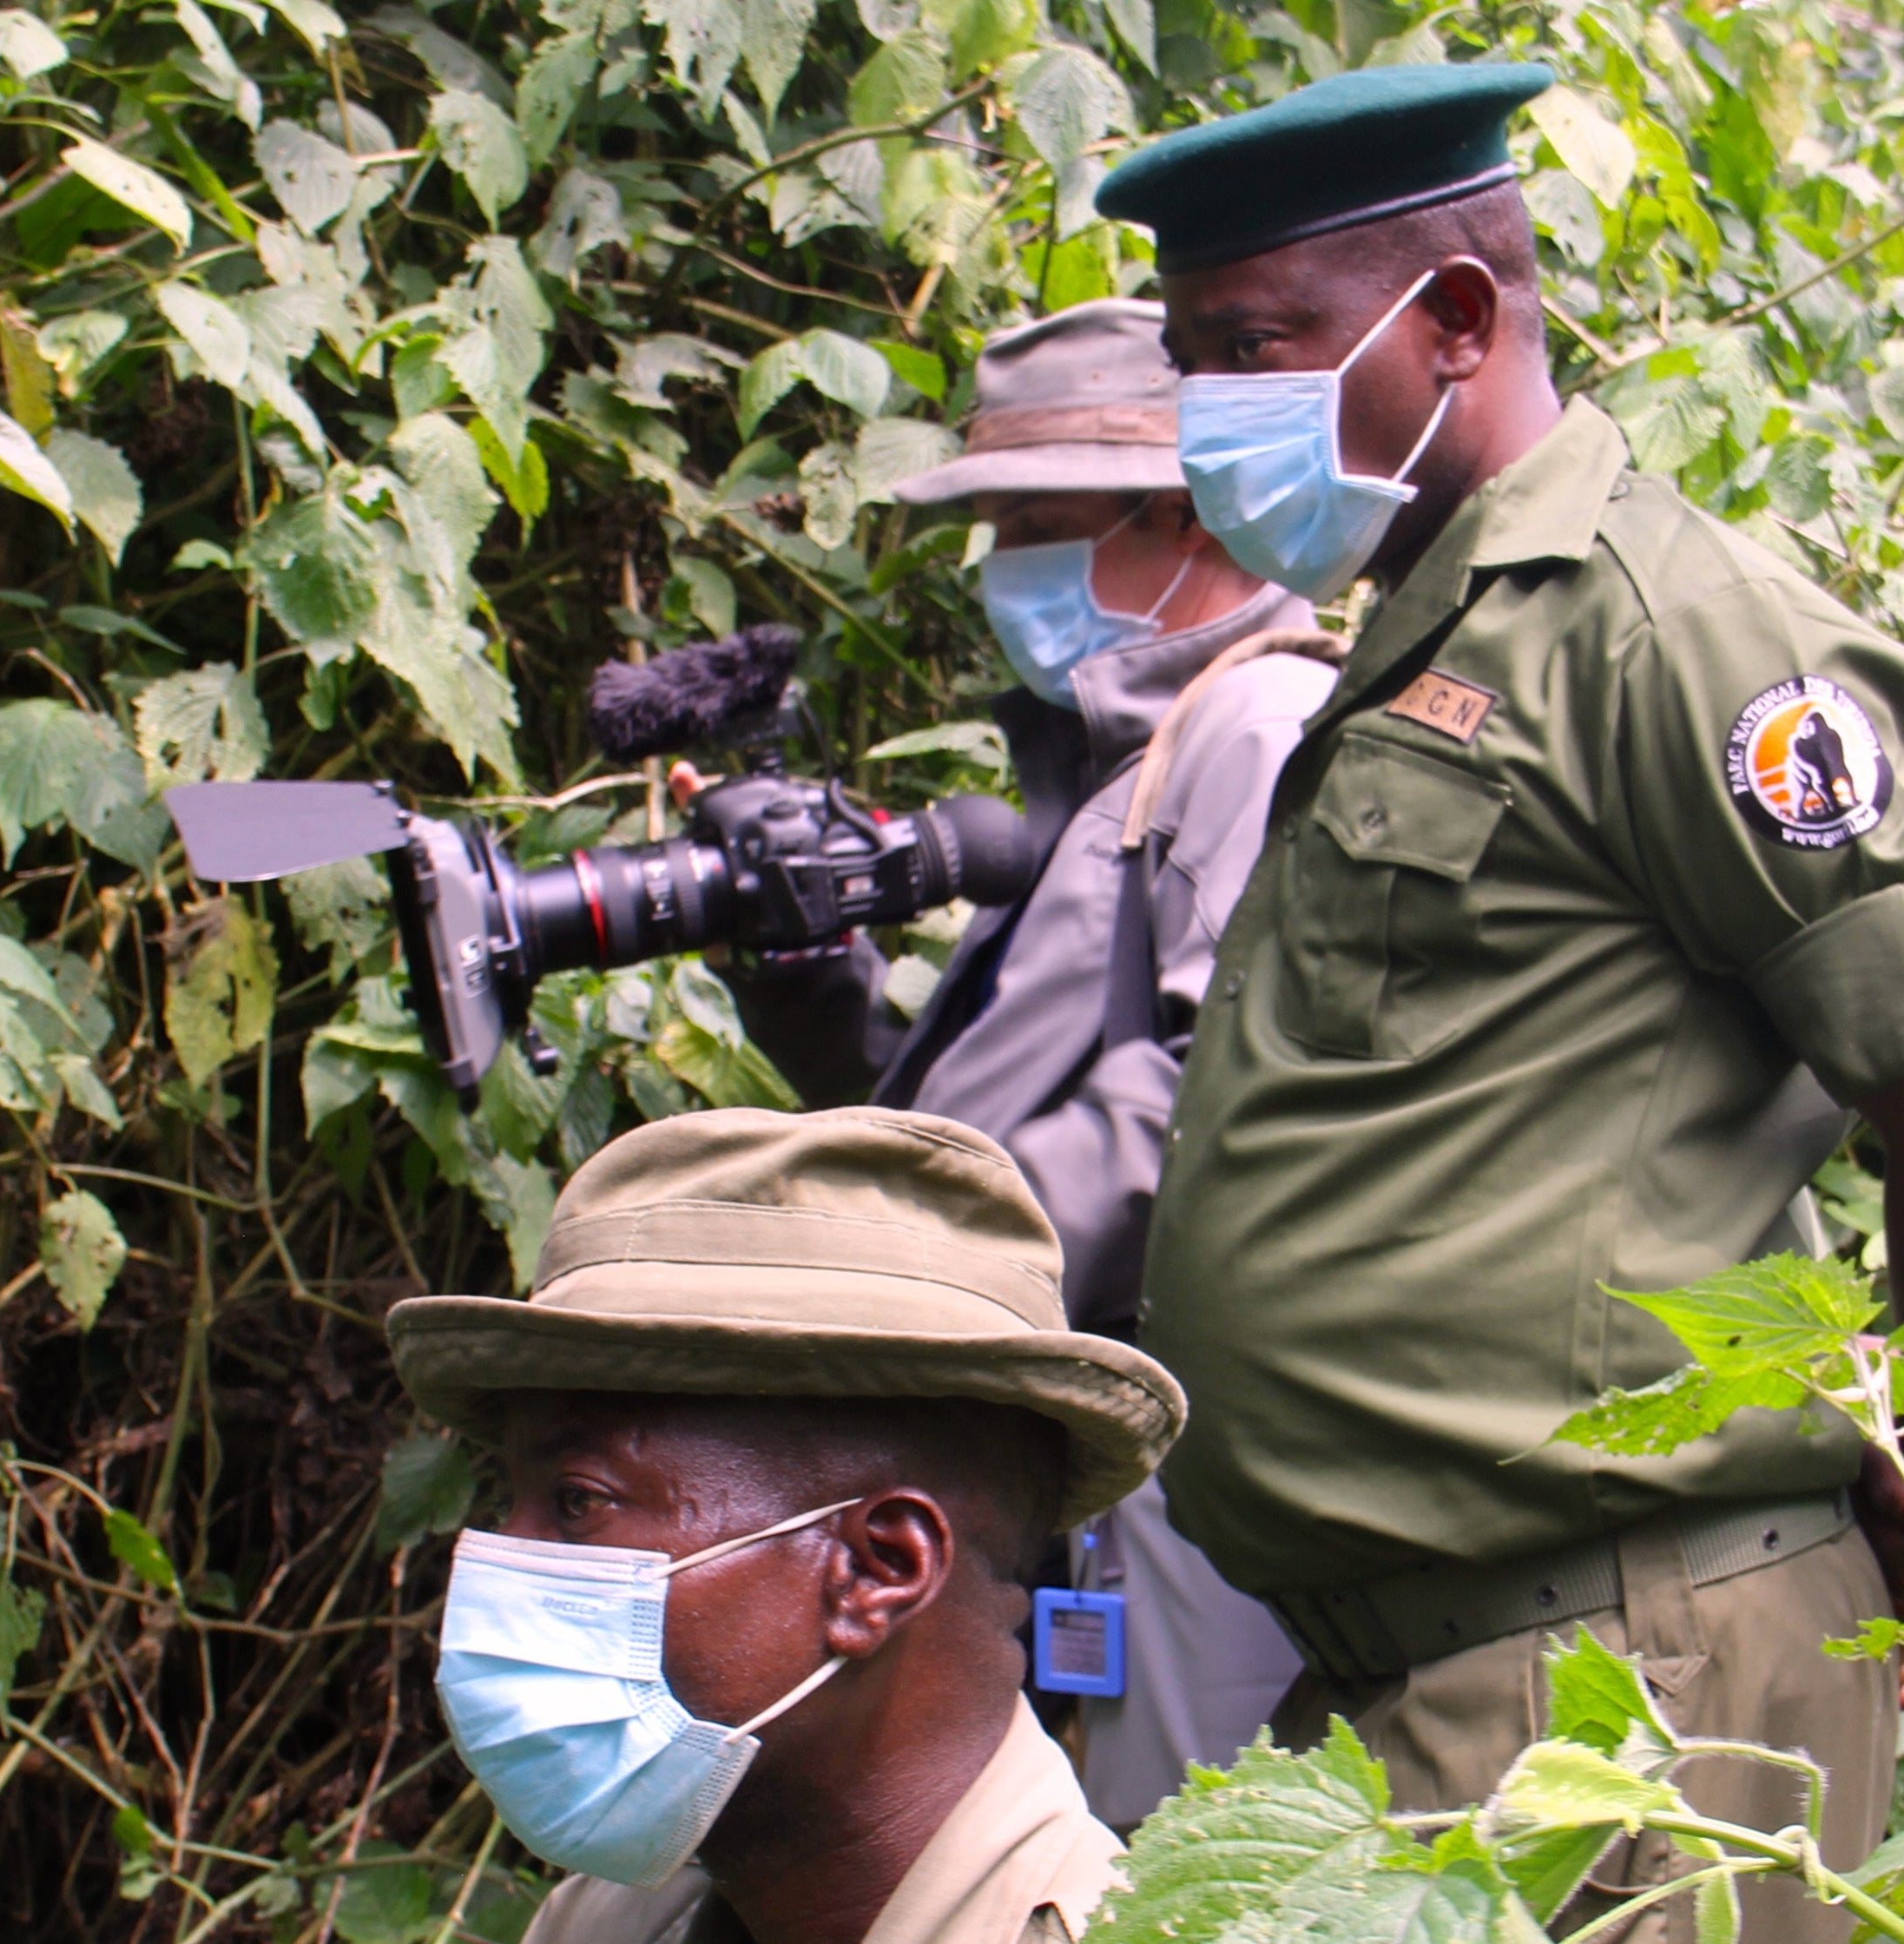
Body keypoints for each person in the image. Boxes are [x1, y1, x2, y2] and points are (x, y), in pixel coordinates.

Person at [1093, 59, 1904, 1936]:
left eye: (1257, 348)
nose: (1213, 417)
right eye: (1193, 358)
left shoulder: (1670, 627)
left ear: (1454, 319)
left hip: (1634, 1681)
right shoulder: (1433, 633)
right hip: (1433, 1672)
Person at [682, 298, 1332, 1826]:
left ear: (1182, 513)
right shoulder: (1115, 765)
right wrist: (806, 987)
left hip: (1174, 1491)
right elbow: (956, 1116)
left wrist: (877, 1243)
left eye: (1037, 528)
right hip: (1043, 1481)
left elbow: (1205, 1110)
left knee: (1146, 1882)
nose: (1006, 581)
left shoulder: (1258, 726)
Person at [385, 1104, 1188, 1944]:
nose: (497, 1563)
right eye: (511, 1501)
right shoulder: (606, 1922)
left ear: (877, 1568)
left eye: (580, 1501)